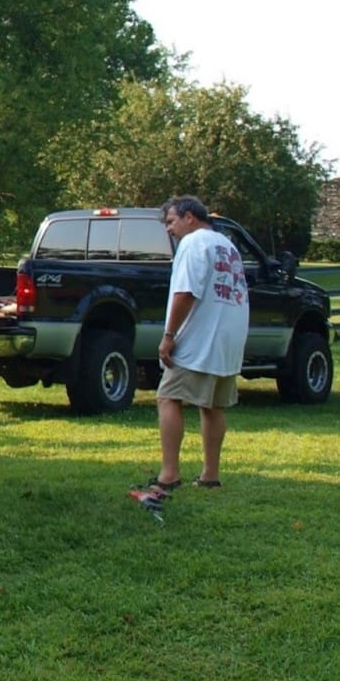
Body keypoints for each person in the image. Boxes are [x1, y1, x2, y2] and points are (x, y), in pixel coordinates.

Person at [133, 195, 250, 509]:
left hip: (200, 337)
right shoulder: (226, 245)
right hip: (228, 336)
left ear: (189, 217)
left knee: (168, 396)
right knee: (212, 405)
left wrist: (169, 335)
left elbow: (186, 291)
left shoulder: (193, 243)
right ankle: (210, 474)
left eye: (171, 222)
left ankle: (169, 474)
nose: (169, 230)